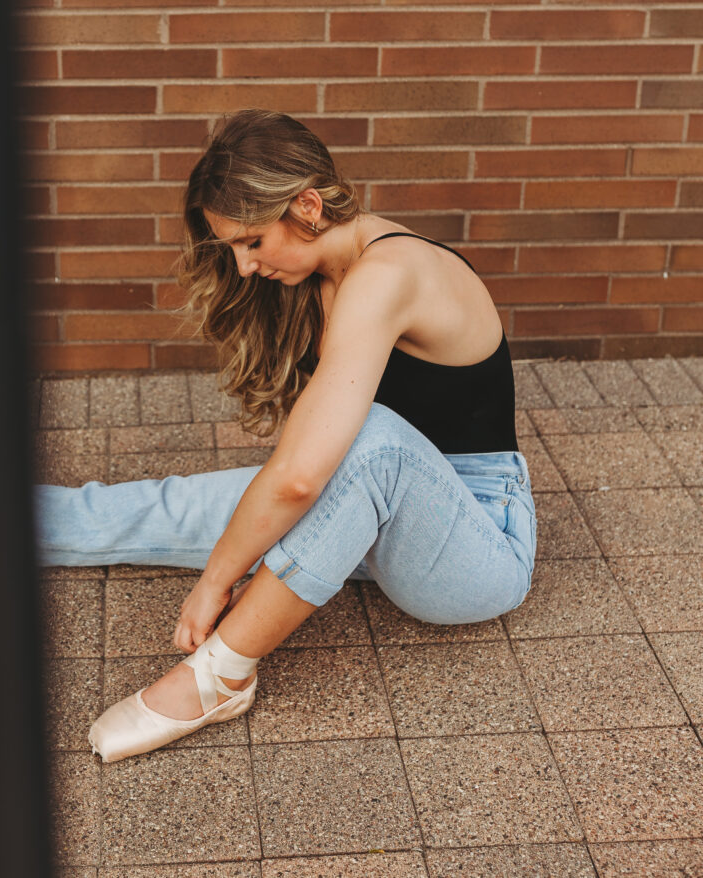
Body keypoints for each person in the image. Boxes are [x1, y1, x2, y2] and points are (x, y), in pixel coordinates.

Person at [36, 109, 536, 763]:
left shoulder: (390, 274)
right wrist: (256, 543)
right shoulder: (325, 276)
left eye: (251, 242)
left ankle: (218, 677)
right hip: (374, 508)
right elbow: (307, 472)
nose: (243, 268)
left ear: (305, 205)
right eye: (233, 250)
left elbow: (304, 474)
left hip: (478, 543)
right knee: (176, 503)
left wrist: (220, 578)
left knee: (371, 445)